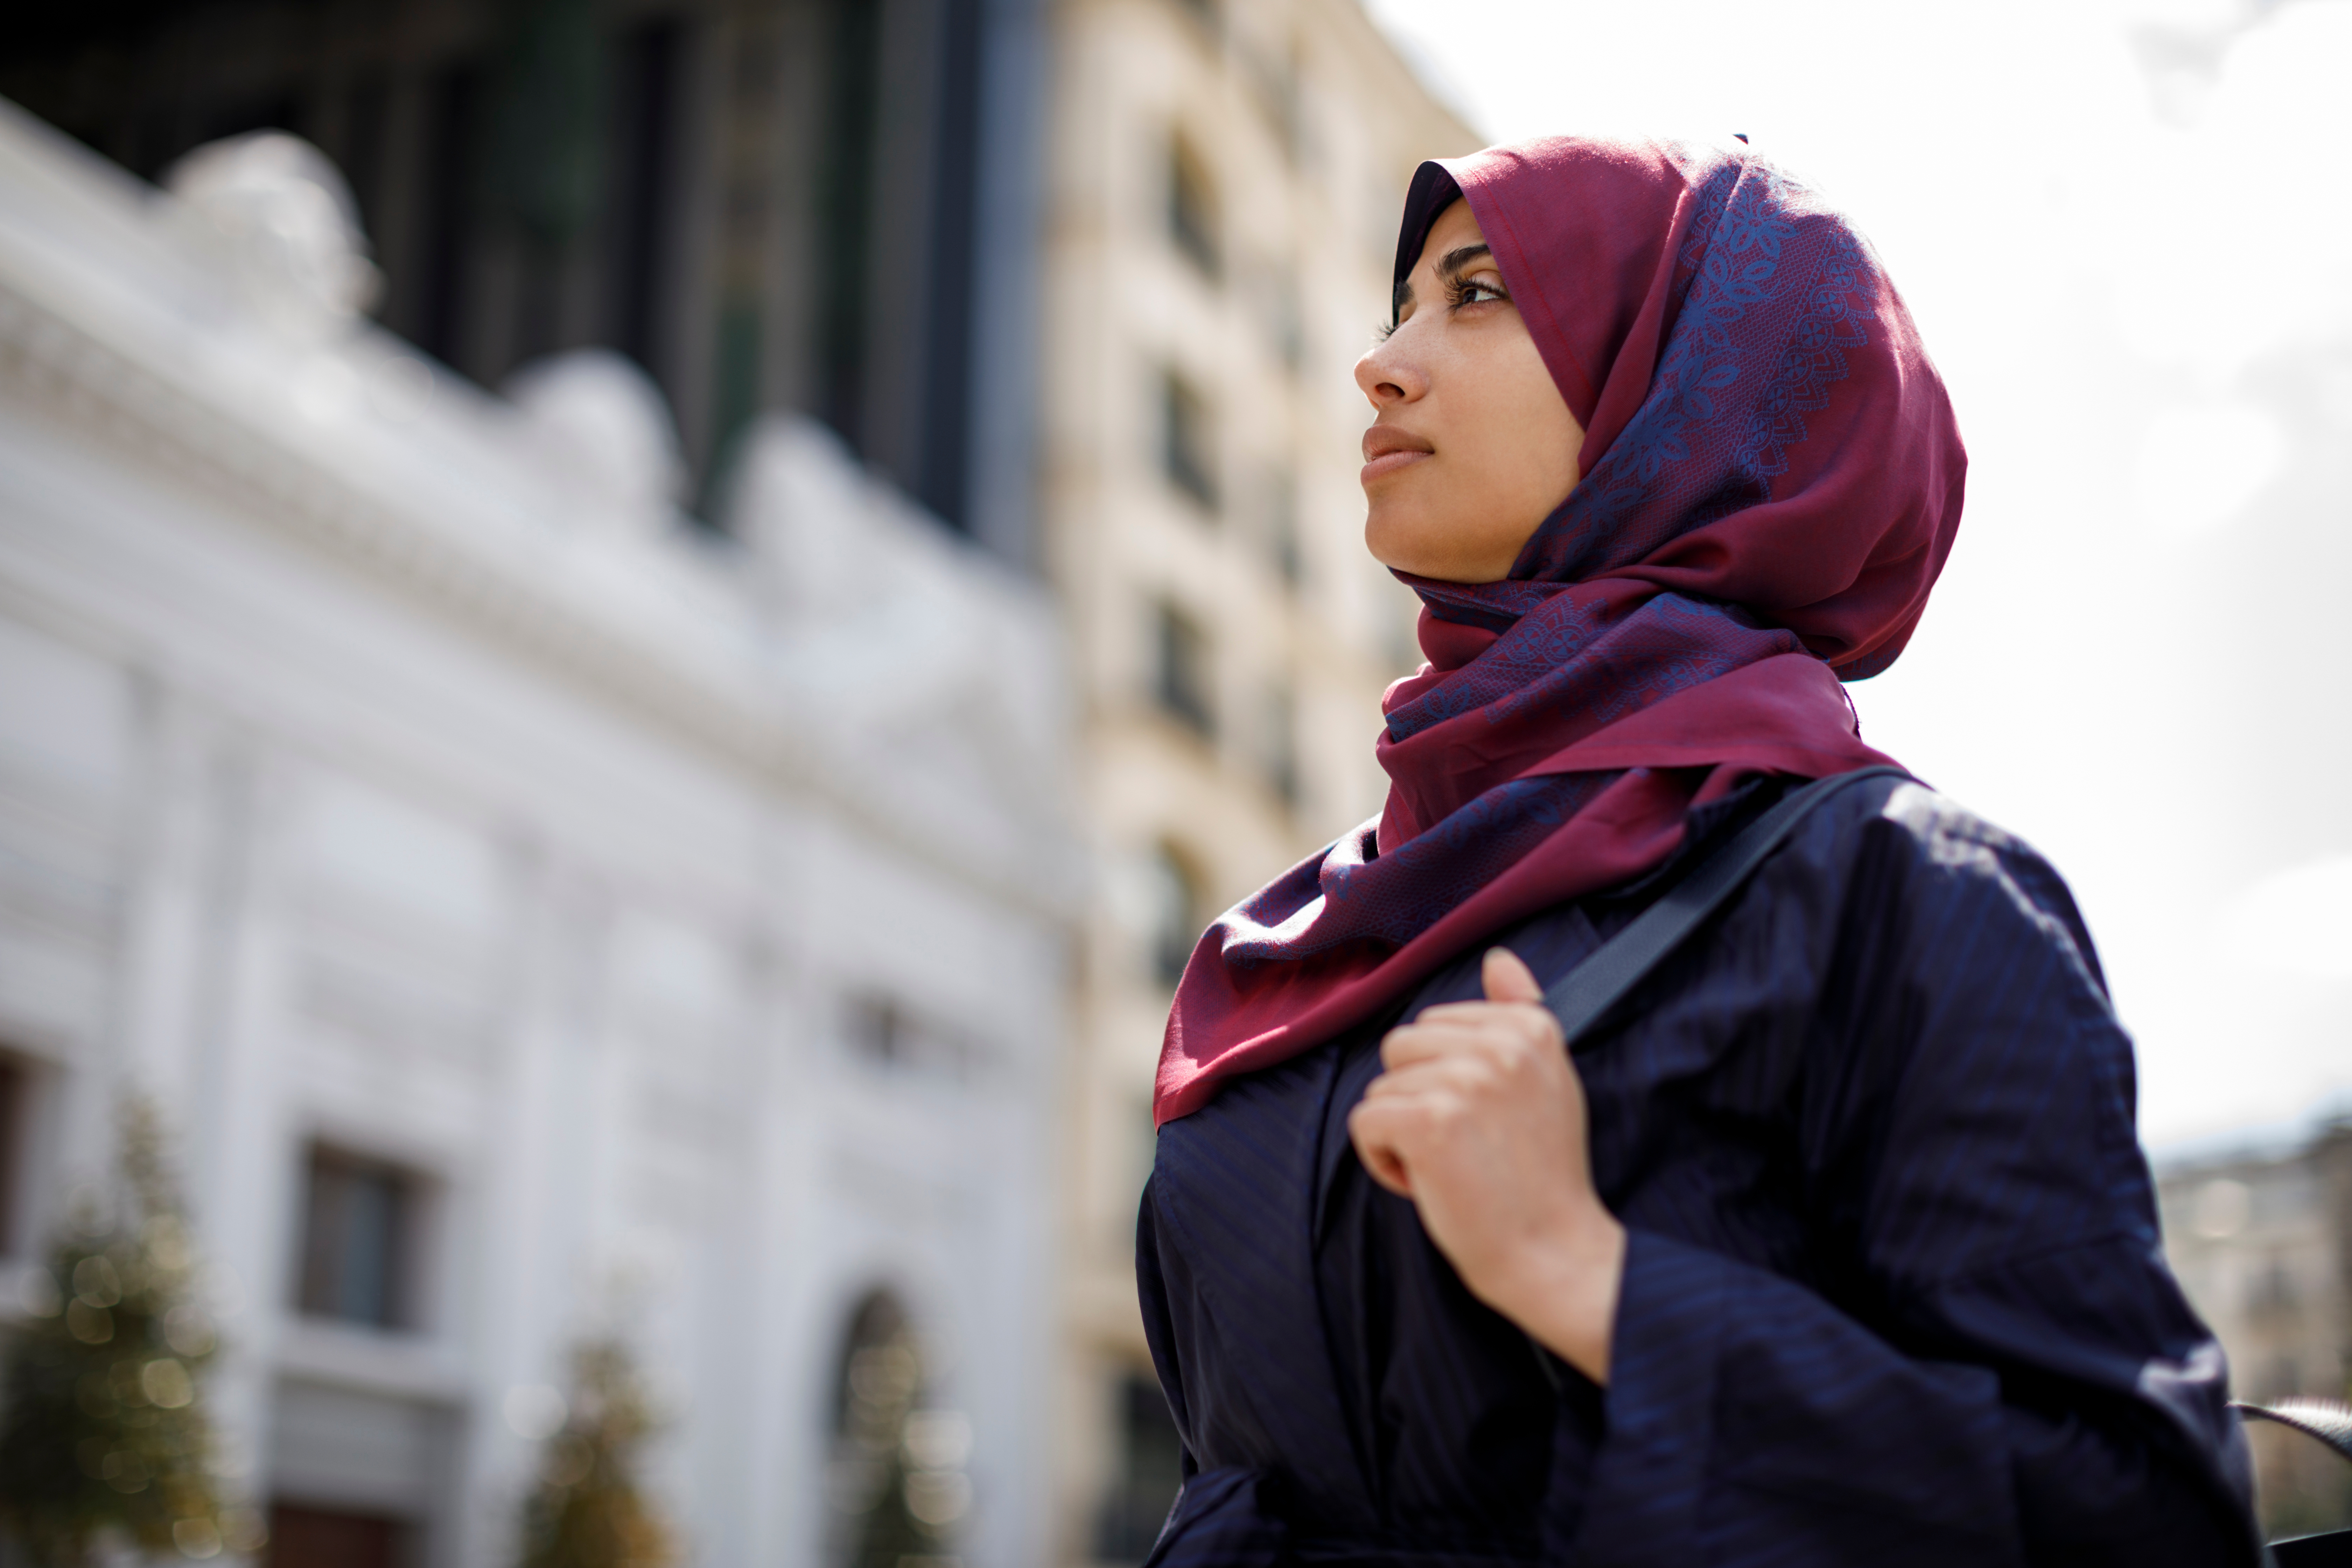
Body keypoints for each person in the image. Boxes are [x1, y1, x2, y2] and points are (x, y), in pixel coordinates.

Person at [1135, 136, 2260, 1566]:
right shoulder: (1289, 945)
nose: (1386, 362)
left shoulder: (1897, 896)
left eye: (1478, 294)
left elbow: (2139, 1516)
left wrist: (1586, 1275)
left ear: (1674, 392)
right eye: (1396, 307)